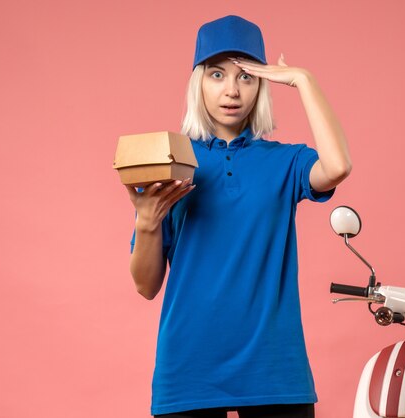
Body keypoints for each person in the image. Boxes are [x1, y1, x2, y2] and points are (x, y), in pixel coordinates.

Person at [126, 15, 351, 418]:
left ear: (262, 85)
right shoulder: (173, 160)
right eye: (217, 75)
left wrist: (303, 80)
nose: (231, 91)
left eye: (245, 77)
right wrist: (147, 222)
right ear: (199, 83)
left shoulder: (286, 161)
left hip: (275, 373)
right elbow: (146, 286)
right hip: (189, 372)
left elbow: (336, 166)